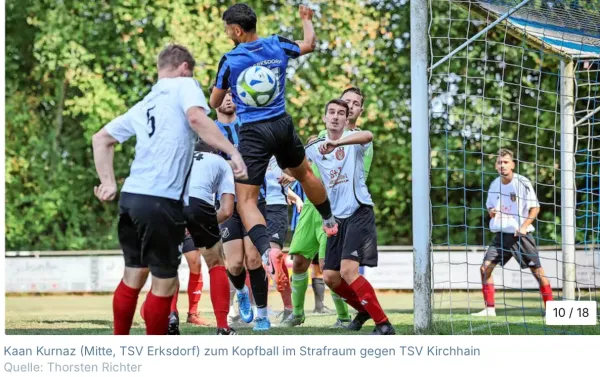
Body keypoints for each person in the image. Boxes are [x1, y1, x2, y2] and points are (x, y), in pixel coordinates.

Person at [92, 44, 246, 335]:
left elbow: (101, 139)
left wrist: (109, 182)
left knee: (132, 278)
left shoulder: (146, 102)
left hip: (131, 199)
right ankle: (157, 354)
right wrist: (231, 151)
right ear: (185, 68)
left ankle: (118, 347)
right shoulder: (185, 84)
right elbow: (197, 118)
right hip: (161, 202)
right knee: (163, 284)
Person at [210, 6, 339, 308]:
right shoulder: (277, 44)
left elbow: (215, 100)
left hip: (253, 132)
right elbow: (309, 45)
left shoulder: (230, 60)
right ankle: (330, 220)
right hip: (282, 123)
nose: (227, 33)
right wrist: (306, 20)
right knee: (305, 174)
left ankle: (267, 251)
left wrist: (231, 87)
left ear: (237, 30)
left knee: (246, 201)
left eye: (228, 29)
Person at [293, 99, 395, 334]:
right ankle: (365, 310)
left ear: (347, 119)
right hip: (335, 218)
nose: (336, 116)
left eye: (341, 113)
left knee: (349, 271)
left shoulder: (354, 139)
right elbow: (295, 166)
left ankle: (384, 325)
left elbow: (368, 135)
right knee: (330, 276)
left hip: (359, 210)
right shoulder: (315, 147)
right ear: (324, 118)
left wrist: (337, 142)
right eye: (332, 112)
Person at [208, 85, 272, 331]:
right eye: (223, 96)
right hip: (225, 203)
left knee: (254, 258)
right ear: (215, 101)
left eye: (232, 95)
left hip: (255, 199)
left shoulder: (249, 125)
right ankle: (241, 291)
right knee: (234, 264)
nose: (227, 99)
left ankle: (263, 316)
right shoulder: (208, 130)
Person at [473, 148, 553, 317]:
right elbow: (490, 208)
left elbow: (536, 207)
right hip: (501, 236)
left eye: (506, 162)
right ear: (496, 166)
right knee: (484, 269)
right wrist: (492, 212)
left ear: (513, 165)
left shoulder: (522, 182)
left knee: (538, 272)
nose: (502, 165)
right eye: (499, 162)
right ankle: (490, 310)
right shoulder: (494, 184)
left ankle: (551, 310)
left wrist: (524, 226)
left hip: (520, 236)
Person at [168, 139, 237, 335]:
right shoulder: (221, 162)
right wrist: (200, 222)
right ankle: (223, 326)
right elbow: (226, 211)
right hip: (199, 205)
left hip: (169, 205)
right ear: (214, 150)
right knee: (216, 263)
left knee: (169, 265)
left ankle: (171, 315)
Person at [264, 156, 304, 323]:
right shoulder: (247, 148)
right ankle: (260, 310)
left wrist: (295, 193)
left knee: (274, 256)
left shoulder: (279, 151)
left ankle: (289, 308)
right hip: (253, 206)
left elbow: (299, 171)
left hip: (276, 207)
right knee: (256, 260)